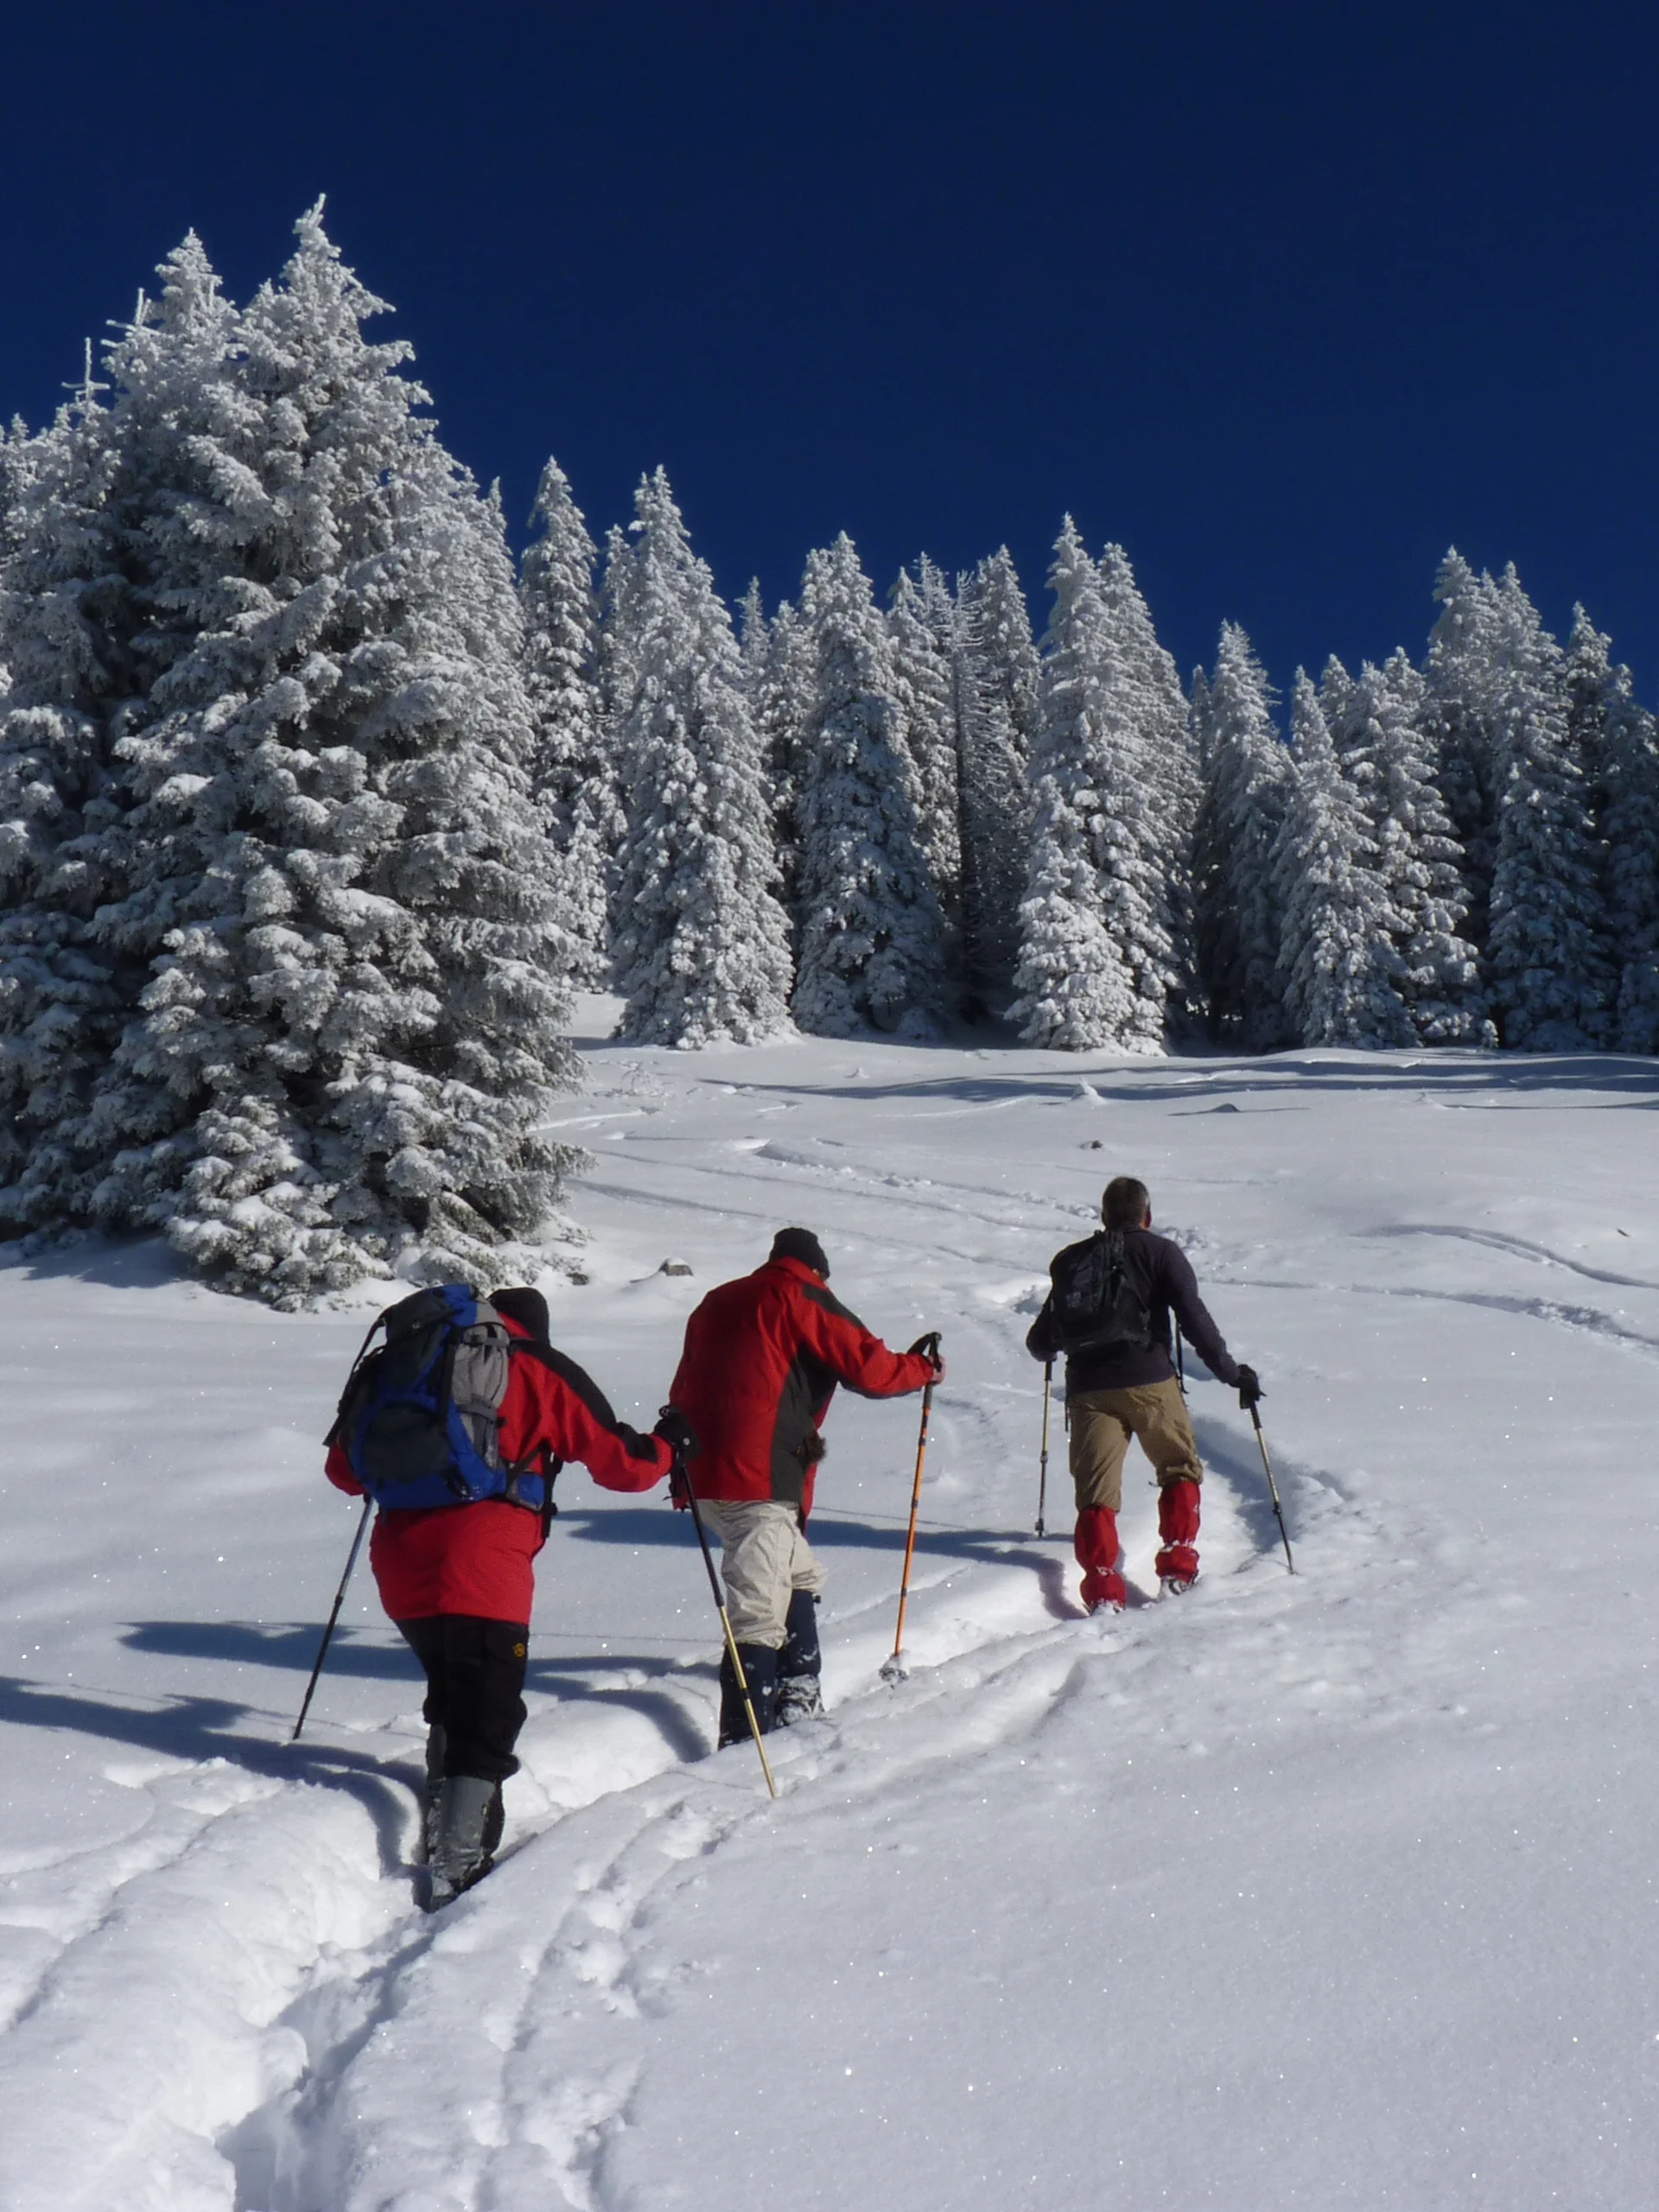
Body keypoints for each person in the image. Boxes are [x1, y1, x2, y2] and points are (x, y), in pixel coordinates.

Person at [325, 1285, 677, 1905]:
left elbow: (341, 1471)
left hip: (400, 1566)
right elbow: (624, 1466)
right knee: (486, 1714)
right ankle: (458, 1870)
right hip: (483, 1563)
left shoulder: (405, 1360)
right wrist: (672, 1446)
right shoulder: (534, 1365)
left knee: (457, 1690)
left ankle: (444, 1830)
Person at [666, 1228, 940, 1746]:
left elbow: (685, 1382)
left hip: (700, 1469)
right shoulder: (801, 1295)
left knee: (796, 1572)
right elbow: (870, 1368)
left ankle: (799, 1698)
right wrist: (923, 1369)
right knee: (757, 1612)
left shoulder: (715, 1301)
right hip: (759, 1477)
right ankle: (745, 1745)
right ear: (817, 1270)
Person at [1026, 1177, 1261, 1611]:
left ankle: (1102, 1593)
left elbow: (1040, 1342)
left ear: (1103, 1216)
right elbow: (1196, 1323)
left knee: (1097, 1495)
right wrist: (1232, 1374)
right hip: (1150, 1381)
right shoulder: (1161, 1253)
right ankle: (1177, 1567)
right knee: (1178, 1469)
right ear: (1146, 1216)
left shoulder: (1073, 1260)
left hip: (1089, 1391)